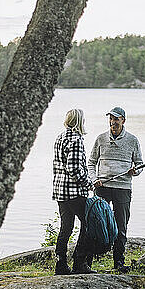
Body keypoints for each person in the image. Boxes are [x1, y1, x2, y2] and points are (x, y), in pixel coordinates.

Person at [88, 106, 143, 272]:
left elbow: (140, 164)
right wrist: (94, 179)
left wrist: (135, 171)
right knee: (95, 224)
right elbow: (91, 162)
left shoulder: (132, 140)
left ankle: (119, 262)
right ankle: (88, 262)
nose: (113, 122)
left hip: (123, 189)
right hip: (102, 187)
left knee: (121, 226)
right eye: (111, 119)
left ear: (123, 121)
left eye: (116, 119)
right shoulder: (100, 139)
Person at [52, 109, 95, 275]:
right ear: (79, 121)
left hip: (60, 192)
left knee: (66, 228)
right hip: (74, 192)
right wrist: (88, 183)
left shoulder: (60, 137)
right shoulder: (76, 140)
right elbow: (74, 168)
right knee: (87, 224)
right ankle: (80, 263)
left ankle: (60, 265)